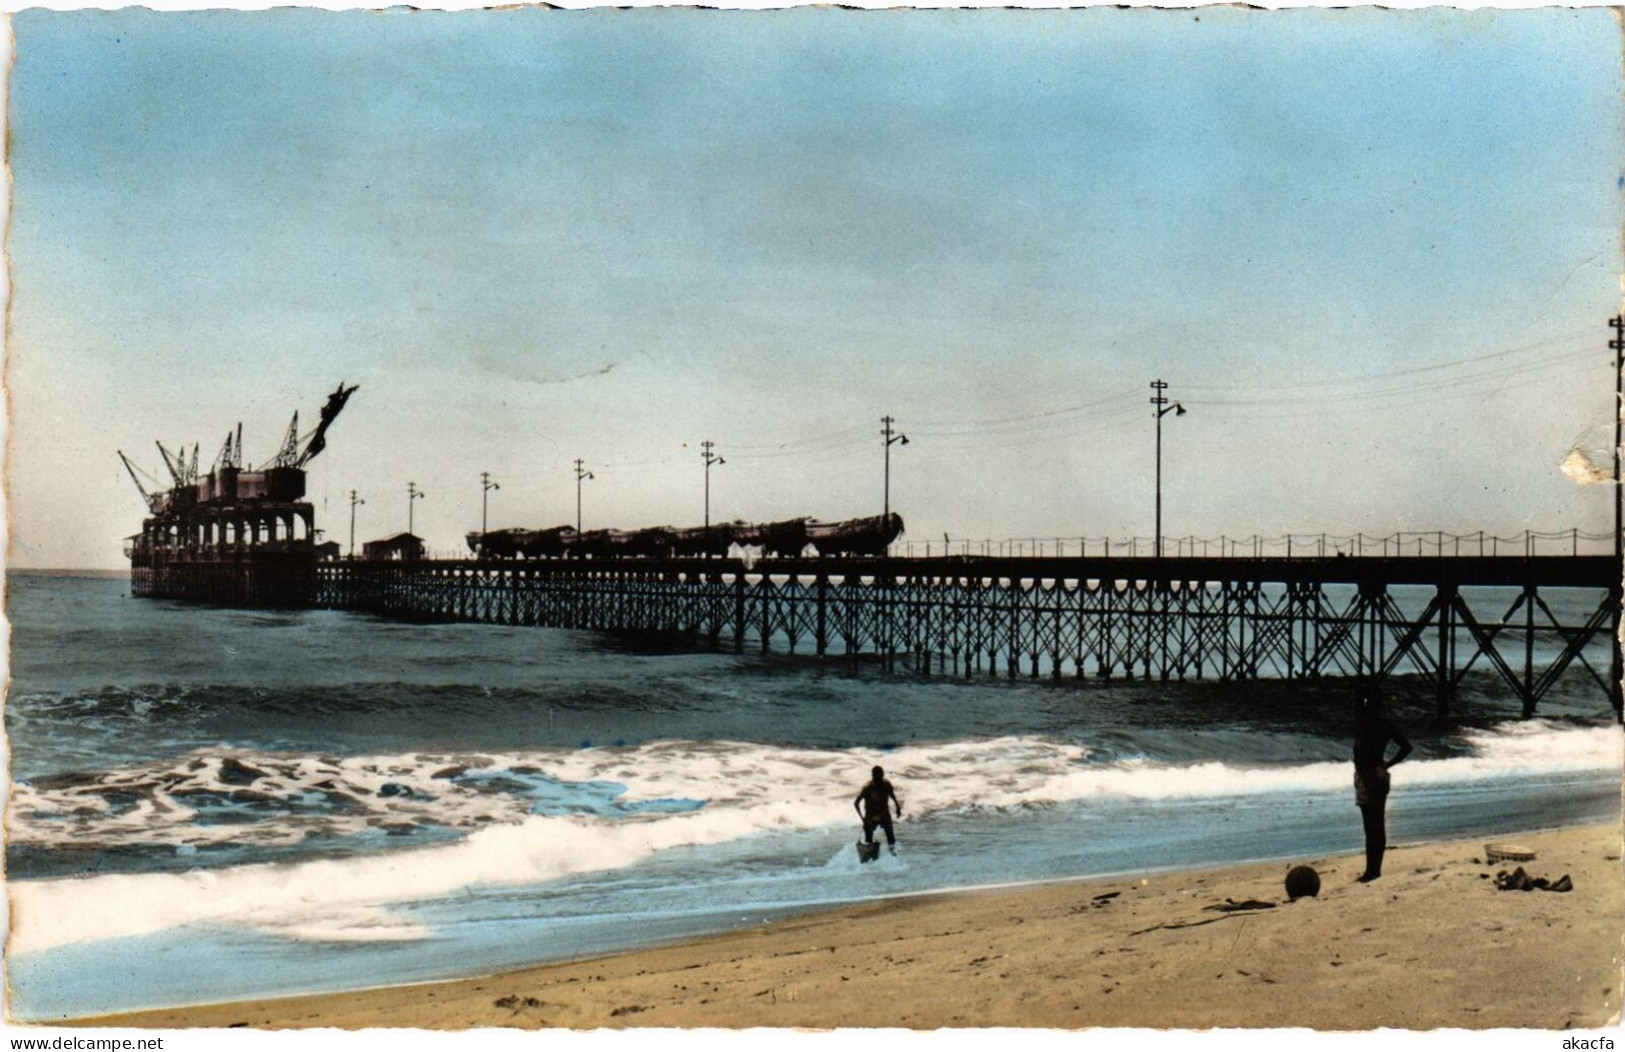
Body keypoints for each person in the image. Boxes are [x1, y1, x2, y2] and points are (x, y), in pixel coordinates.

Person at [1352, 692, 1412, 882]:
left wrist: (1363, 776)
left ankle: (1371, 871)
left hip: (1366, 776)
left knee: (1370, 828)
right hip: (1379, 774)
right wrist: (1387, 764)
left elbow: (1360, 756)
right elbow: (1406, 747)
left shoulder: (1363, 726)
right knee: (1378, 826)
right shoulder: (1385, 725)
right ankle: (1374, 869)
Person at [854, 765, 903, 854]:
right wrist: (862, 819)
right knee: (869, 840)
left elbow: (892, 795)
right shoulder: (867, 787)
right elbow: (856, 803)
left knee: (891, 838)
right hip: (871, 816)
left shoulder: (886, 784)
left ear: (883, 775)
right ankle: (870, 858)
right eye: (877, 777)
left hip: (884, 814)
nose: (879, 779)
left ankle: (893, 856)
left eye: (881, 776)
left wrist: (898, 807)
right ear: (873, 776)